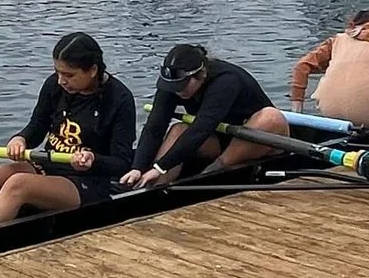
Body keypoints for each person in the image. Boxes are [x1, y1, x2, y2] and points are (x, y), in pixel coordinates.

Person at [0, 31, 135, 236]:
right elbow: (37, 127)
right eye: (57, 72)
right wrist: (20, 139)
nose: (61, 81)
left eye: (69, 75)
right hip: (49, 165)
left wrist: (92, 159)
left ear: (92, 70)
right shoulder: (54, 86)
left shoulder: (120, 99)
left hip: (89, 180)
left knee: (18, 184)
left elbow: (122, 162)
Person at [122, 43, 292, 188]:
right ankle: (151, 187)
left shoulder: (226, 81)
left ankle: (208, 175)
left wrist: (162, 166)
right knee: (178, 130)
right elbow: (154, 126)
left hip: (259, 140)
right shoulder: (172, 84)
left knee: (271, 117)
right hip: (220, 138)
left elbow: (201, 129)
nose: (177, 91)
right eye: (174, 86)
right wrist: (138, 167)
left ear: (201, 74)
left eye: (183, 85)